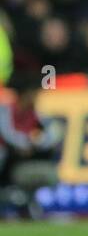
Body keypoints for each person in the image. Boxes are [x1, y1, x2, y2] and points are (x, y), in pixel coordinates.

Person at [0, 72, 62, 220]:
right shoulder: (6, 111)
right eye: (34, 94)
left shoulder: (36, 113)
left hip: (21, 160)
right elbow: (8, 133)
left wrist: (37, 143)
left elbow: (54, 132)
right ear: (25, 94)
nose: (36, 98)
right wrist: (26, 142)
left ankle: (26, 204)